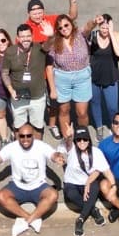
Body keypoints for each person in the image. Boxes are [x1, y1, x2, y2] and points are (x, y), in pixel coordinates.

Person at [0, 125, 64, 236]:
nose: (25, 139)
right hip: (17, 186)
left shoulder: (41, 146)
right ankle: (31, 218)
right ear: (17, 136)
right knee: (1, 196)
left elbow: (53, 154)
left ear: (33, 136)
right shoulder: (12, 147)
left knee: (53, 195)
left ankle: (26, 222)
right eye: (22, 136)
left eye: (28, 136)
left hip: (38, 187)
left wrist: (57, 157)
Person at [61, 128, 114, 236]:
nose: (81, 142)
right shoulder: (72, 149)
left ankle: (80, 219)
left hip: (89, 181)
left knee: (95, 186)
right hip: (72, 182)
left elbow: (106, 171)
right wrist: (69, 136)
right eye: (78, 140)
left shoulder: (96, 152)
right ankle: (93, 210)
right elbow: (68, 143)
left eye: (85, 139)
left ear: (89, 140)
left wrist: (113, 186)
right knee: (70, 194)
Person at [45, 13, 90, 141]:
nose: (64, 29)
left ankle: (83, 136)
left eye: (66, 25)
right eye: (60, 28)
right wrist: (53, 89)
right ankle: (68, 139)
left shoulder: (80, 35)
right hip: (62, 78)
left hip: (82, 77)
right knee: (64, 110)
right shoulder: (54, 42)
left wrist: (95, 21)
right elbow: (48, 65)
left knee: (81, 112)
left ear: (71, 24)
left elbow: (88, 27)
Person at [2, 22, 49, 132]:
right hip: (18, 96)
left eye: (28, 36)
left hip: (37, 97)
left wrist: (50, 36)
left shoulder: (40, 49)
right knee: (19, 128)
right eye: (22, 37)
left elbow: (49, 44)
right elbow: (5, 73)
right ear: (17, 38)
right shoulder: (10, 51)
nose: (25, 39)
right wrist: (11, 90)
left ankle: (37, 147)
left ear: (32, 36)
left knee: (37, 127)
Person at [85, 14, 119, 137]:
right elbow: (85, 33)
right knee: (95, 103)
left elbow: (118, 52)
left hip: (111, 75)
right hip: (94, 76)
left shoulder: (116, 36)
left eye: (107, 28)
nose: (104, 30)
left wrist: (111, 33)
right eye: (102, 28)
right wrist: (94, 22)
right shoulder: (93, 35)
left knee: (112, 106)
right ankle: (99, 126)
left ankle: (114, 125)